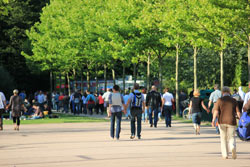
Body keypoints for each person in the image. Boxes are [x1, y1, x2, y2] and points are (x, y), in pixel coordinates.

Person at [212, 86, 241, 159]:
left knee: (223, 138)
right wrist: (240, 119)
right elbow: (238, 112)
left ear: (222, 92)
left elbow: (216, 111)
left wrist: (213, 120)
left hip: (221, 121)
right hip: (231, 121)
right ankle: (232, 147)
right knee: (231, 137)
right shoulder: (234, 100)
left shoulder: (219, 100)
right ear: (229, 92)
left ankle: (225, 155)